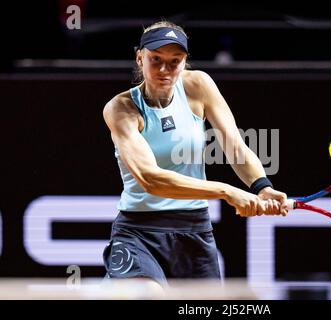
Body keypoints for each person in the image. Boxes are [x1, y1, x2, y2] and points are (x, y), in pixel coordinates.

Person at [102, 20, 288, 287]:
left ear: (185, 61)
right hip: (139, 232)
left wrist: (262, 186)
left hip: (194, 231)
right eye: (156, 59)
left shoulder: (199, 85)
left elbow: (235, 147)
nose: (165, 69)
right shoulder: (121, 109)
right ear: (139, 57)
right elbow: (151, 180)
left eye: (175, 61)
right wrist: (227, 191)